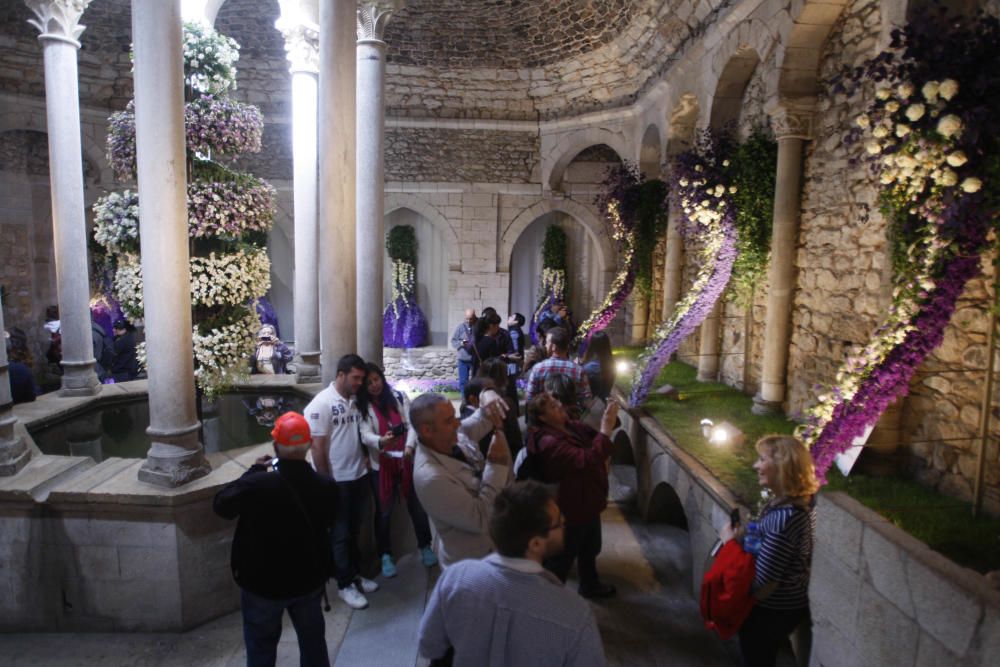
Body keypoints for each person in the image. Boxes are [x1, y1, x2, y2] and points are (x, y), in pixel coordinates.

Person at [418, 481, 606, 667]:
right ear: (536, 544)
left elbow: (429, 647)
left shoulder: (455, 578)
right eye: (558, 523)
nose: (564, 522)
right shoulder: (575, 614)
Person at [213, 412, 338, 667]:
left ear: (275, 446)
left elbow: (222, 505)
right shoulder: (326, 486)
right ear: (310, 444)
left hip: (263, 585)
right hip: (308, 580)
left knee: (261, 649)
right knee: (314, 645)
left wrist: (254, 470)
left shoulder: (258, 485)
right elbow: (331, 521)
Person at [719, 435, 819, 667]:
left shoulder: (785, 517)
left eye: (762, 459)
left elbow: (764, 582)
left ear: (783, 466)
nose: (755, 465)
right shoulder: (797, 503)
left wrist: (729, 544)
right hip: (785, 605)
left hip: (771, 609)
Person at [524, 392, 619, 598]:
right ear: (542, 417)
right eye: (552, 406)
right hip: (570, 508)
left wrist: (608, 418)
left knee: (590, 548)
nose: (559, 405)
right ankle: (548, 600)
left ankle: (590, 585)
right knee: (561, 559)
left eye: (557, 401)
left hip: (588, 502)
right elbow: (587, 458)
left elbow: (596, 438)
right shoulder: (548, 442)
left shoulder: (570, 426)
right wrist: (606, 429)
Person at [304, 354, 380, 610]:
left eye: (362, 378)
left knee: (354, 531)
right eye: (356, 378)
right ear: (341, 375)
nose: (360, 383)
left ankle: (355, 575)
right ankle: (344, 585)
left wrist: (365, 459)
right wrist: (326, 483)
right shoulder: (321, 404)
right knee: (339, 534)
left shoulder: (354, 401)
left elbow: (357, 434)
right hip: (338, 482)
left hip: (358, 475)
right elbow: (317, 447)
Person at [411, 392, 511, 568]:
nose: (457, 423)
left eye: (455, 417)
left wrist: (486, 393)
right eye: (449, 420)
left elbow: (483, 417)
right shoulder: (430, 478)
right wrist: (497, 465)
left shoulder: (453, 436)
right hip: (472, 565)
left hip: (496, 549)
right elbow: (481, 518)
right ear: (427, 430)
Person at [356, 362, 438, 578]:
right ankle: (385, 554)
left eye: (377, 379)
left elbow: (411, 425)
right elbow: (364, 434)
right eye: (369, 382)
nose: (374, 385)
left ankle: (424, 545)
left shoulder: (398, 397)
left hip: (405, 460)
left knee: (416, 506)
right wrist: (381, 441)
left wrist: (409, 446)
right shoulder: (362, 406)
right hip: (380, 465)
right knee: (383, 512)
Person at [525, 327, 593, 411]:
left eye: (547, 342)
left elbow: (529, 397)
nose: (545, 346)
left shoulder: (538, 368)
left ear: (553, 347)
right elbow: (587, 398)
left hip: (545, 418)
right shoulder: (579, 370)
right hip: (570, 419)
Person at [476, 357, 524, 458]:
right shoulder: (505, 403)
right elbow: (515, 439)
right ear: (502, 377)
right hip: (502, 454)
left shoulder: (473, 397)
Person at [580, 331, 614, 402]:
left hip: (591, 404)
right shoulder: (610, 364)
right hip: (604, 402)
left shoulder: (589, 366)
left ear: (592, 344)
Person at [450, 309, 477, 395]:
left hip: (474, 359)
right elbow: (453, 341)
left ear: (474, 317)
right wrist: (461, 343)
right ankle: (464, 400)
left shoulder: (478, 327)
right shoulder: (460, 327)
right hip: (462, 359)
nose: (469, 321)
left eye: (471, 319)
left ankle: (474, 399)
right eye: (467, 319)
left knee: (475, 381)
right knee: (463, 381)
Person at [110, 318, 139, 382]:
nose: (114, 330)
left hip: (123, 371)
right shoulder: (127, 336)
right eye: (114, 328)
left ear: (124, 329)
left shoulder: (123, 340)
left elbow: (113, 352)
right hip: (127, 370)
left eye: (117, 329)